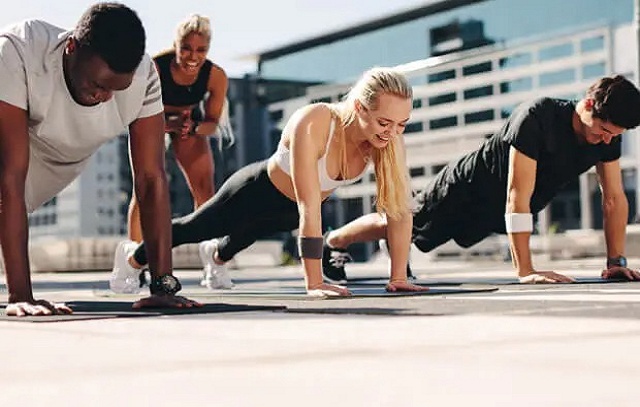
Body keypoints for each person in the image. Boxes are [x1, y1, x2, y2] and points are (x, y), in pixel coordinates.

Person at [110, 67, 427, 296]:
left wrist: (398, 276)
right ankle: (131, 259)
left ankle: (215, 258)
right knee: (194, 228)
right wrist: (314, 282)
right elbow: (309, 205)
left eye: (402, 124)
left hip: (289, 212)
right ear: (359, 107)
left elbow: (399, 208)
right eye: (384, 121)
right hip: (256, 191)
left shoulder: (388, 140)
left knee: (243, 239)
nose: (393, 132)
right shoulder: (315, 121)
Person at [322, 75, 640, 284]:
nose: (606, 141)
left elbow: (613, 198)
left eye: (614, 136)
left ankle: (393, 244)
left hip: (496, 211)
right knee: (407, 221)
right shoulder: (538, 116)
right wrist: (526, 271)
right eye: (603, 131)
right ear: (587, 105)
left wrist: (616, 261)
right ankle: (335, 241)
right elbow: (518, 192)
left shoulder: (608, 139)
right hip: (467, 187)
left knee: (419, 235)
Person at [0, 2, 199, 316]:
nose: (104, 97)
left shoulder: (144, 76)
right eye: (96, 84)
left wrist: (163, 285)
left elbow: (151, 179)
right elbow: (9, 177)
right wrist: (21, 294)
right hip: (11, 155)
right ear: (71, 48)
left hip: (49, 167)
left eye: (115, 89)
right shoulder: (19, 51)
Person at [127, 14, 230, 247]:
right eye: (186, 48)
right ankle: (133, 258)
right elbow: (133, 113)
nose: (193, 57)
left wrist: (193, 127)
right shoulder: (155, 67)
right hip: (150, 117)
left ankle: (210, 257)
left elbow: (212, 123)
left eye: (201, 50)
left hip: (188, 121)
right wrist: (167, 124)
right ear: (176, 45)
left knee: (206, 190)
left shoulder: (216, 76)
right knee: (145, 188)